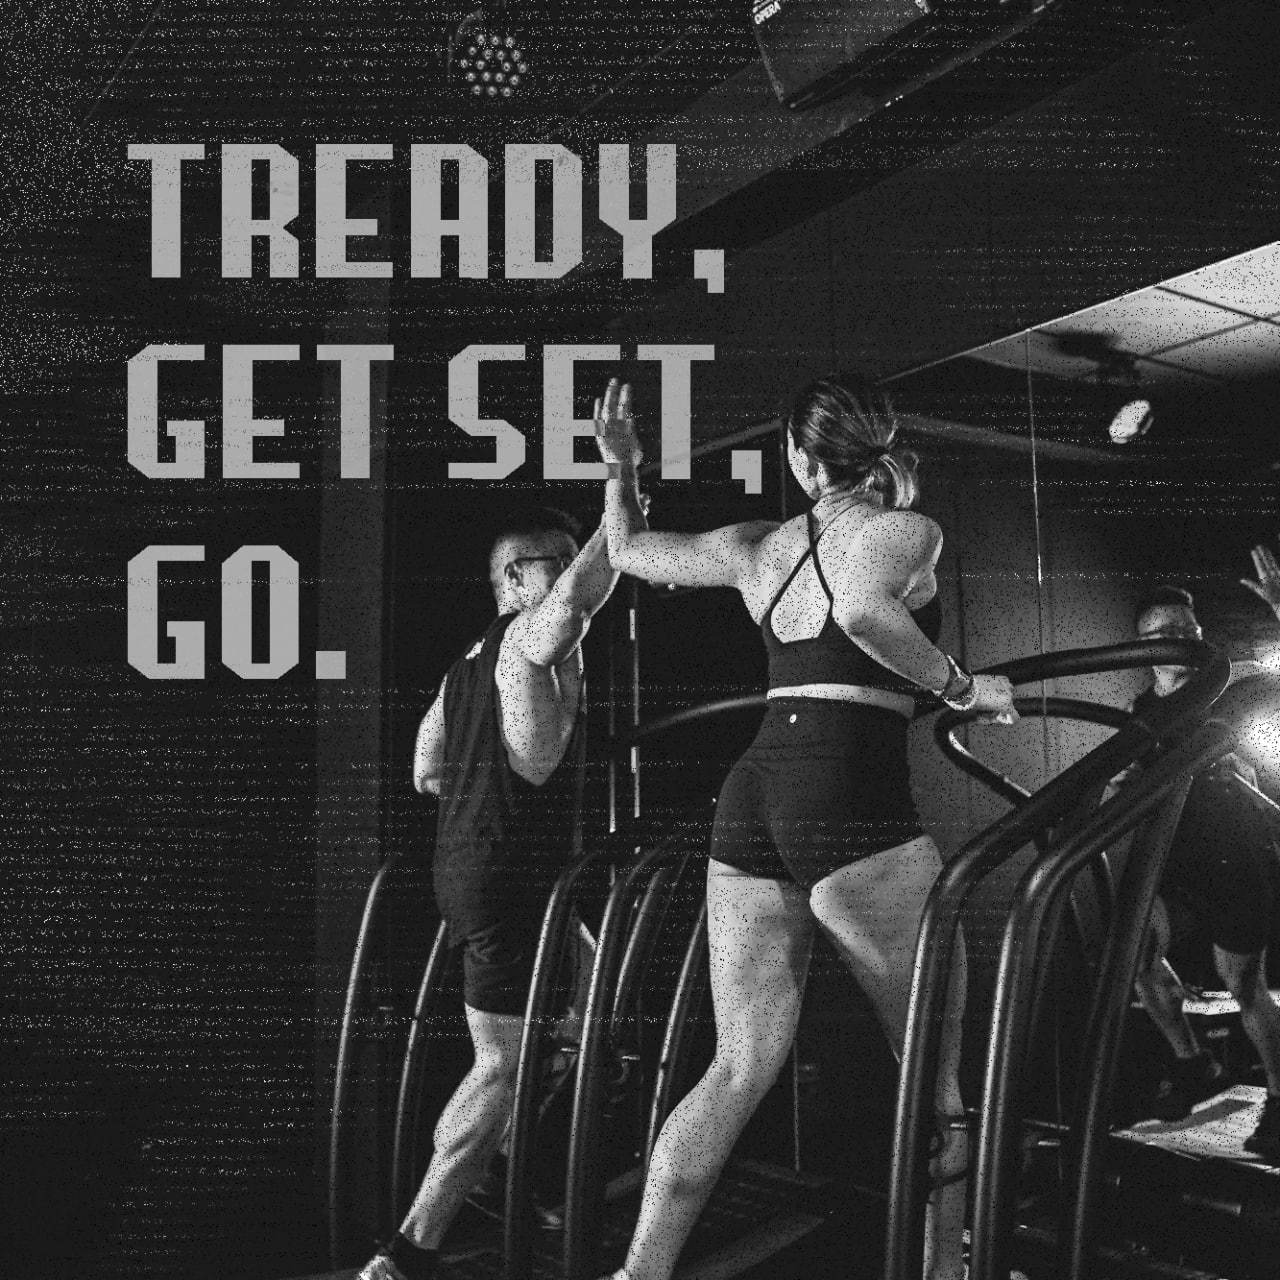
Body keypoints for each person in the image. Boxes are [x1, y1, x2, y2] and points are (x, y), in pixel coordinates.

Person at [592, 375, 1017, 1280]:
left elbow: (625, 549)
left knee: (738, 1065)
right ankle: (946, 1272)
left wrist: (621, 467)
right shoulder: (905, 531)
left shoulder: (758, 545)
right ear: (879, 443)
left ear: (797, 455)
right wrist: (962, 688)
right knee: (932, 1077)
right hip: (845, 788)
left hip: (754, 792)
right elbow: (861, 611)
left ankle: (638, 1273)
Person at [360, 506, 622, 1280]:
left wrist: (484, 802)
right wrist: (623, 502)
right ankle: (408, 1250)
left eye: (573, 558)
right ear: (515, 577)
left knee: (593, 1007)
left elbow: (425, 771)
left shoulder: (462, 668)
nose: (568, 573)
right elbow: (578, 599)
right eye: (556, 562)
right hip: (509, 882)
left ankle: (500, 1157)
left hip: (495, 874)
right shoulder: (528, 635)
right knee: (500, 1066)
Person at [1128, 584, 1280, 1161]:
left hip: (1235, 860)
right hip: (1175, 863)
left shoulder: (1228, 693)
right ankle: (1195, 1063)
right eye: (1163, 634)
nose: (1179, 643)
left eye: (1187, 633)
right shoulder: (1143, 710)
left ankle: (1279, 1098)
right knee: (1136, 954)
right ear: (1141, 646)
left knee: (1244, 986)